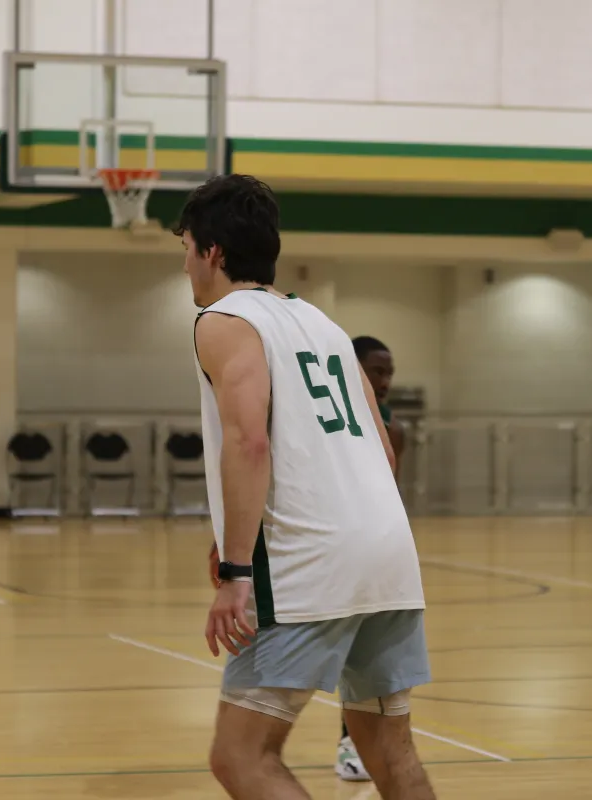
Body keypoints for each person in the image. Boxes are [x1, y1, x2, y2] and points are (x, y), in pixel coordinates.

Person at [177, 173, 435, 800]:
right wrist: (234, 532)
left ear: (211, 251)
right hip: (389, 555)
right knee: (389, 749)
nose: (185, 263)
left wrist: (239, 568)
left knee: (241, 757)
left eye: (184, 247)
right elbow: (382, 449)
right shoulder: (322, 322)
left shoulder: (223, 320)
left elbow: (249, 443)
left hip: (309, 561)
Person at [334, 335, 407, 781]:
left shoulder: (393, 429)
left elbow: (393, 500)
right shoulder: (330, 418)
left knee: (367, 657)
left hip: (375, 555)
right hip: (327, 549)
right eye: (376, 371)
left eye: (388, 373)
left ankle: (353, 744)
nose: (384, 381)